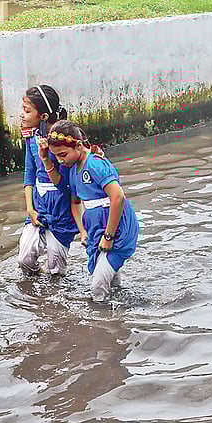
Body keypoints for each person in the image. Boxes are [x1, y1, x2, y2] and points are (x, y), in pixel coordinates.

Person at [39, 121, 139, 302]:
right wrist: (83, 231)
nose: (61, 160)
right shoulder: (71, 170)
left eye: (63, 155)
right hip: (95, 229)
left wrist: (109, 236)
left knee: (97, 285)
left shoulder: (94, 164)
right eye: (57, 156)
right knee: (110, 279)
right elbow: (74, 200)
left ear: (78, 145)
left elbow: (118, 197)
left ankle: (101, 324)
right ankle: (120, 313)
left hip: (116, 229)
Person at [18, 85, 75, 276]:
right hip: (39, 204)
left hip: (61, 207)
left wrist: (46, 158)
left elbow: (65, 184)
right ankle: (36, 298)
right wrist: (30, 209)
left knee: (56, 269)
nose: (22, 115)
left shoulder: (64, 142)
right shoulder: (31, 138)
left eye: (27, 111)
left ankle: (55, 301)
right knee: (24, 259)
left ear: (43, 116)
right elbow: (29, 173)